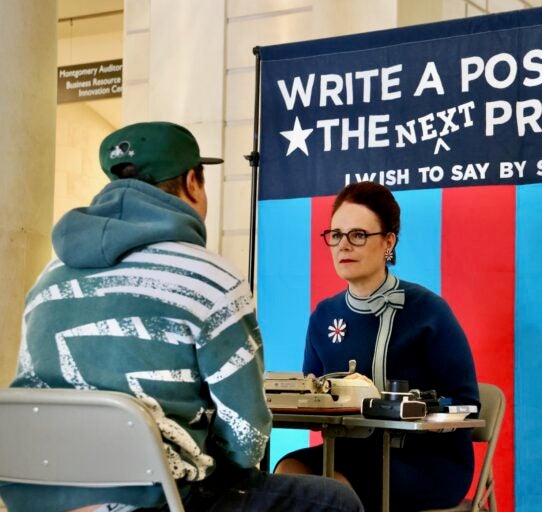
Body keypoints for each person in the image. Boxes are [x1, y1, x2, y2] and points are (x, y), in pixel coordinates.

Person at [0, 122, 363, 512]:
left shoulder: (49, 278)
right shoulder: (209, 280)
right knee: (335, 501)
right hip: (156, 500)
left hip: (41, 499)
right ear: (193, 182)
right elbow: (247, 438)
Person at [274, 181, 480, 512]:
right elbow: (311, 400)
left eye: (358, 235)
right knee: (289, 471)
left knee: (336, 489)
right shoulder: (324, 316)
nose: (344, 245)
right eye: (336, 235)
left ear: (388, 242)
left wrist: (412, 407)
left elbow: (468, 403)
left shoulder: (428, 311)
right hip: (351, 452)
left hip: (426, 461)